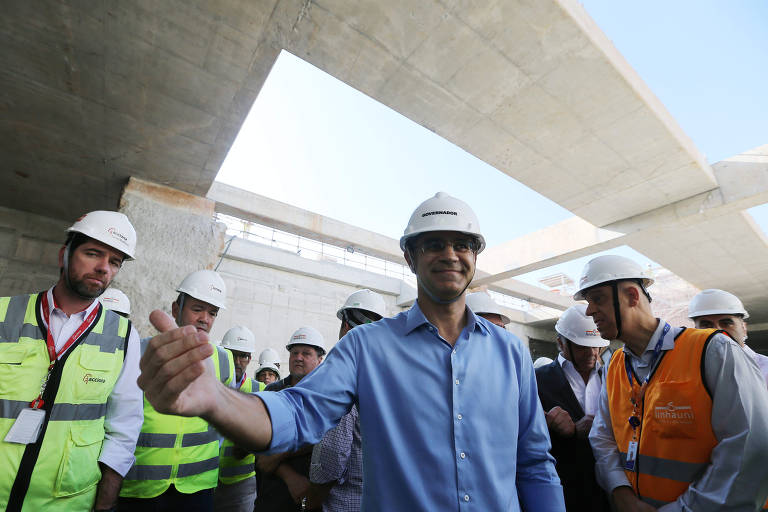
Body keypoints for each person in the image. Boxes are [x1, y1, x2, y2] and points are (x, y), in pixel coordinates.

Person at [138, 191, 565, 511]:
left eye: (463, 244)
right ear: (410, 257)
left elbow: (533, 463)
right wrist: (217, 398)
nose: (450, 255)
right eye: (434, 244)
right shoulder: (368, 347)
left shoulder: (510, 354)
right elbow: (297, 412)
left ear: (475, 255)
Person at [579, 255, 768, 511]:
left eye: (598, 298)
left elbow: (748, 449)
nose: (589, 310)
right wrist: (619, 491)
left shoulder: (713, 351)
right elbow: (602, 436)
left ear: (632, 296)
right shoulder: (614, 366)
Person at [0, 210, 142, 511]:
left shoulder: (124, 335)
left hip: (66, 503)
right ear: (64, 254)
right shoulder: (3, 314)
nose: (104, 268)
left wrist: (105, 500)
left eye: (115, 262)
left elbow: (125, 425)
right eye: (93, 253)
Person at [119, 270, 235, 512]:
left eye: (212, 312)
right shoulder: (141, 352)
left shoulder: (224, 360)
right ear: (175, 309)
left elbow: (225, 421)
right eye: (197, 309)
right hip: (142, 485)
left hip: (197, 488)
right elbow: (122, 419)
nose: (205, 318)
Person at [307, 289, 387, 512]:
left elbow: (332, 456)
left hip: (343, 503)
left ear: (345, 325)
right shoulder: (388, 374)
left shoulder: (345, 373)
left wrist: (310, 502)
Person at [535, 305, 610, 511]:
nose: (592, 353)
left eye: (597, 347)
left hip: (609, 492)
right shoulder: (536, 381)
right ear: (560, 342)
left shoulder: (613, 377)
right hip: (563, 491)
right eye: (581, 346)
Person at [254, 326, 326, 511]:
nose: (298, 357)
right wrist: (288, 476)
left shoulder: (325, 396)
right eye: (294, 352)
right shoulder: (272, 391)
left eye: (306, 353)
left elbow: (323, 438)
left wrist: (279, 455)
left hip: (308, 493)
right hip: (271, 492)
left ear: (320, 359)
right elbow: (261, 444)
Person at [215, 325, 265, 512]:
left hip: (241, 484)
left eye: (243, 355)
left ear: (250, 359)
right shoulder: (208, 384)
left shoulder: (259, 390)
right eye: (232, 354)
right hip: (203, 480)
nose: (237, 361)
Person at [689, 288, 768, 387]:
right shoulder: (689, 372)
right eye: (706, 324)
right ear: (696, 331)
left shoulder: (766, 370)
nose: (717, 330)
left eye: (726, 323)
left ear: (744, 328)